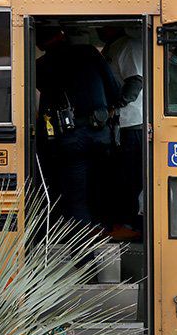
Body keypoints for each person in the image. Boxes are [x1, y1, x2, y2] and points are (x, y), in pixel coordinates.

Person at [36, 26, 121, 225]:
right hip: (100, 135)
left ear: (39, 44)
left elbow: (46, 105)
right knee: (101, 190)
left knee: (76, 199)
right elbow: (115, 91)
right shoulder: (90, 53)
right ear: (62, 35)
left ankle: (83, 255)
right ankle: (105, 232)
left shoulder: (41, 66)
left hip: (70, 140)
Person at [99, 25, 144, 240]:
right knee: (119, 177)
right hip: (121, 125)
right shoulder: (112, 47)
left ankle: (129, 224)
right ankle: (119, 222)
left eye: (103, 24)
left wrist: (113, 107)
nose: (100, 28)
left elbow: (135, 82)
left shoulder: (127, 45)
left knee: (130, 177)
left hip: (132, 123)